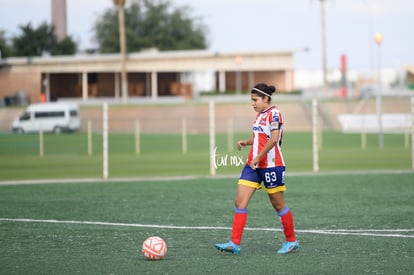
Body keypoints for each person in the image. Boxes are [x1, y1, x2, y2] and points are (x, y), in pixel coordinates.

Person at [215, 83, 299, 255]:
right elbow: (260, 138)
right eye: (251, 100)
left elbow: (274, 139)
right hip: (253, 165)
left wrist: (258, 157)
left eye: (255, 100)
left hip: (271, 165)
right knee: (240, 201)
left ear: (266, 99)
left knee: (278, 204)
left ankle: (291, 241)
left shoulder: (274, 114)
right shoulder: (259, 116)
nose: (252, 103)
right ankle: (234, 244)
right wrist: (246, 143)